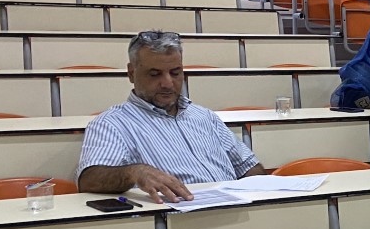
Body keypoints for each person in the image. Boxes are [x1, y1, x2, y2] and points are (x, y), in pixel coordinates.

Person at [77, 30, 264, 202]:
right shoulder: (112, 124)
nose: (167, 83)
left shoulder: (205, 116)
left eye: (175, 73)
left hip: (235, 210)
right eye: (155, 74)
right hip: (176, 218)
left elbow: (249, 167)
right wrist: (134, 172)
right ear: (131, 73)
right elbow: (89, 179)